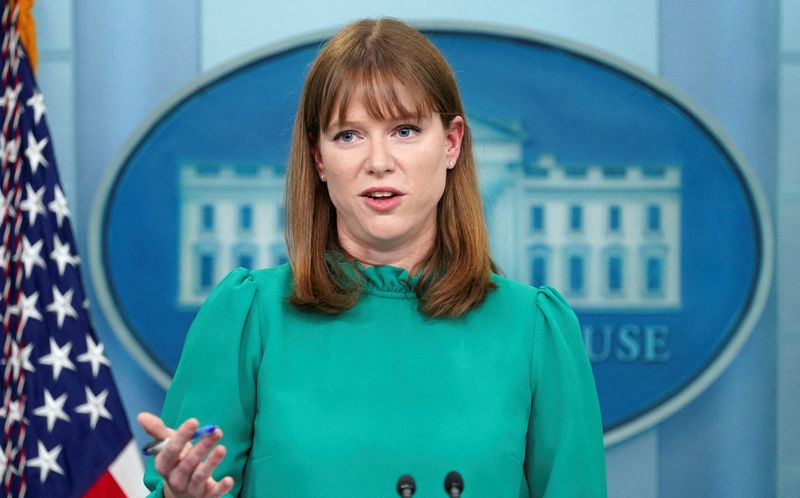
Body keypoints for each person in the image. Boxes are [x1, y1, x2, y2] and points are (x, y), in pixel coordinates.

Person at [139, 17, 607, 498]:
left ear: (451, 143)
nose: (378, 161)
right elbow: (176, 484)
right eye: (348, 135)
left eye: (404, 130)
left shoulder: (534, 329)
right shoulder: (248, 316)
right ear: (319, 159)